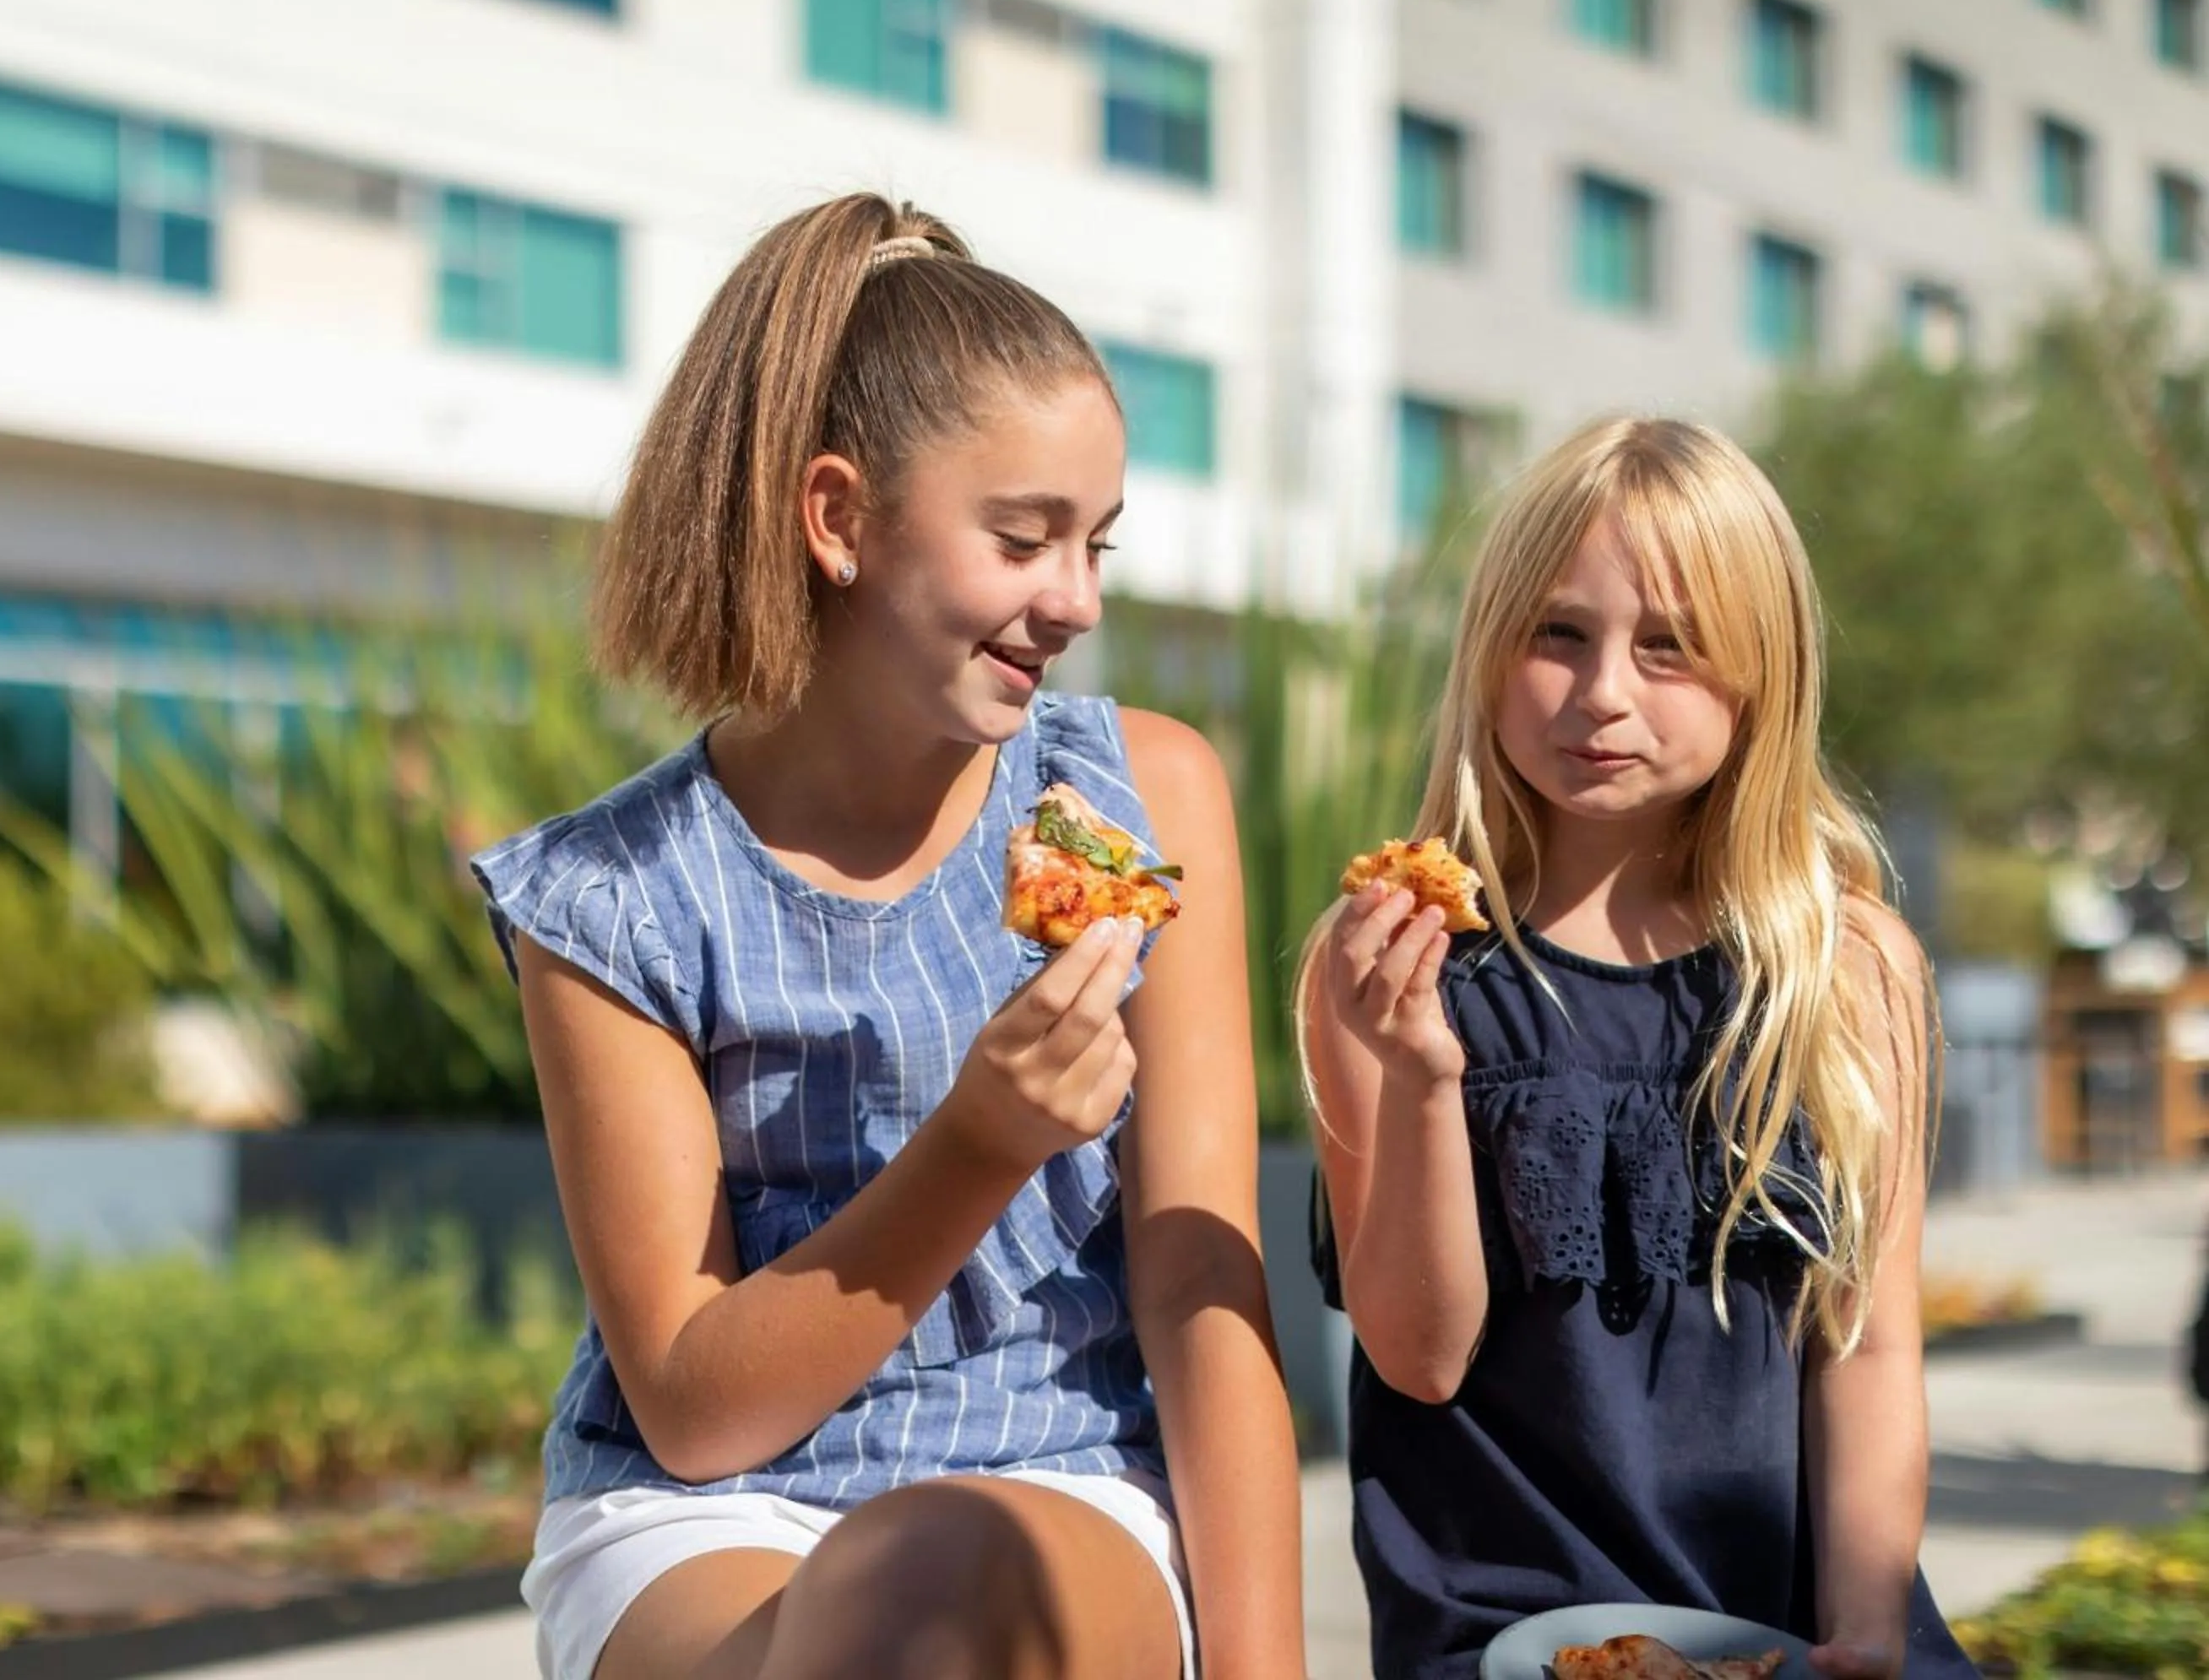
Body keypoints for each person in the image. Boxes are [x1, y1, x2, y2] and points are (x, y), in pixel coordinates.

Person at [472, 193, 1304, 1680]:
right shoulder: (610, 900)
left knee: (920, 1580)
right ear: (837, 516)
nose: (1076, 601)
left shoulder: (1139, 794)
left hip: (1053, 1468)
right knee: (873, 1611)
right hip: (701, 1508)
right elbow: (691, 1403)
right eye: (1025, 539)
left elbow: (1196, 1283)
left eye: (1097, 545)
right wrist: (983, 1139)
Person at [1302, 416, 1980, 1678]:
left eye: (1668, 646)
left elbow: (1870, 1343)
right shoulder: (1390, 958)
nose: (1604, 690)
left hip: (1794, 1624)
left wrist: (1870, 1625)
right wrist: (1425, 1076)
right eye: (1558, 634)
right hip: (1506, 1628)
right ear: (1489, 652)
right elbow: (1417, 1352)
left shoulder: (1846, 966)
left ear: (1758, 675)